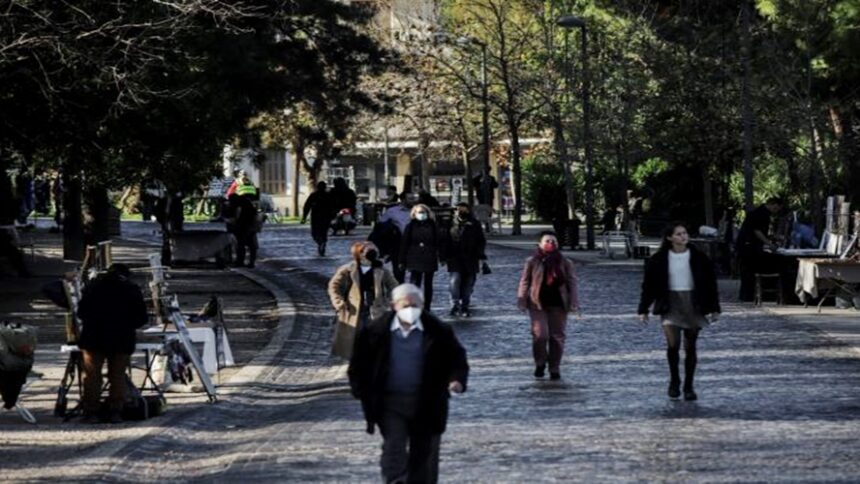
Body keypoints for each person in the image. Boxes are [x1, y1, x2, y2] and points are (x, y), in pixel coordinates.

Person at [348, 283, 469, 483]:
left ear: (422, 306)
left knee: (423, 452)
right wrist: (360, 390)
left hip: (427, 401)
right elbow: (359, 364)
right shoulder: (375, 331)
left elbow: (456, 358)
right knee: (394, 446)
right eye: (405, 306)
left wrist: (456, 380)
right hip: (389, 403)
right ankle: (396, 480)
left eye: (415, 305)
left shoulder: (438, 330)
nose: (410, 310)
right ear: (394, 306)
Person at [637, 222, 720, 401]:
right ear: (670, 238)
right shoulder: (659, 259)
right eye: (678, 234)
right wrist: (643, 308)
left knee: (690, 346)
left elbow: (710, 284)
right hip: (670, 303)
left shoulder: (699, 257)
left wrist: (715, 308)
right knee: (673, 345)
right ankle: (674, 380)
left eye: (685, 233)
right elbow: (649, 285)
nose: (683, 237)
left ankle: (689, 385)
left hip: (693, 302)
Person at [76, 264, 148, 423]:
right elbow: (141, 318)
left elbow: (81, 312)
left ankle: (91, 411)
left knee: (92, 375)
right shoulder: (131, 289)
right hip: (121, 338)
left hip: (93, 337)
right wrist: (127, 324)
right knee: (117, 376)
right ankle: (115, 411)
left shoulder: (93, 287)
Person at [517, 231, 579, 380]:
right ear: (540, 244)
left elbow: (572, 283)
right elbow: (525, 281)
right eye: (547, 241)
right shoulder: (532, 261)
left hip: (558, 304)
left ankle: (554, 367)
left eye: (553, 241)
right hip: (537, 304)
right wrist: (522, 300)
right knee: (540, 335)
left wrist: (574, 301)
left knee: (557, 337)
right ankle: (540, 362)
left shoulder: (565, 262)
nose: (550, 243)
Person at [328, 242, 399, 359]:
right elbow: (334, 286)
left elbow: (394, 286)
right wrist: (338, 301)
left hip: (375, 308)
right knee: (354, 336)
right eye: (366, 250)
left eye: (373, 250)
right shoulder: (347, 270)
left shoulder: (381, 270)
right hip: (353, 309)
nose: (370, 253)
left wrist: (388, 301)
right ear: (358, 254)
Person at [441, 202, 486, 317]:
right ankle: (455, 305)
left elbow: (481, 240)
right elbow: (445, 240)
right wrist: (443, 256)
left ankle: (465, 305)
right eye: (458, 209)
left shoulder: (474, 224)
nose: (460, 212)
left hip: (471, 258)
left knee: (468, 283)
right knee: (455, 280)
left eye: (463, 209)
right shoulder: (450, 223)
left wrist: (481, 254)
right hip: (454, 257)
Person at [735, 197, 784, 302]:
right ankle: (749, 295)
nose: (775, 212)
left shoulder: (758, 212)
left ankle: (746, 295)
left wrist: (773, 238)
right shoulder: (762, 214)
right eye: (776, 209)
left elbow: (761, 231)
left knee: (746, 271)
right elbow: (757, 231)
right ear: (773, 204)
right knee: (749, 271)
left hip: (746, 245)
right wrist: (769, 244)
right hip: (748, 246)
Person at [399, 204, 440, 310]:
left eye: (423, 212)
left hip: (429, 257)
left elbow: (438, 241)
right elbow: (404, 243)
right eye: (419, 212)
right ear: (414, 214)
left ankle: (427, 307)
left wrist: (441, 255)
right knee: (415, 282)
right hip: (414, 257)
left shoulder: (433, 225)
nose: (422, 214)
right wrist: (402, 260)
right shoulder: (410, 226)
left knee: (428, 284)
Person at [378, 193, 413, 283]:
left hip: (414, 243)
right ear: (403, 200)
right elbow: (382, 226)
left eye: (413, 198)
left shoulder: (417, 210)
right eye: (410, 198)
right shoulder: (392, 211)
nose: (413, 201)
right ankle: (399, 285)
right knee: (398, 268)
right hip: (398, 243)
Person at [226, 192, 259, 268]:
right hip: (250, 226)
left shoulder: (237, 204)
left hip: (244, 227)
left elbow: (234, 217)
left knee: (242, 245)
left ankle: (240, 261)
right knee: (251, 246)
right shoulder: (246, 203)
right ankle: (251, 262)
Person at [302, 181, 334, 256]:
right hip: (326, 217)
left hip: (316, 217)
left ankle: (320, 242)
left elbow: (307, 206)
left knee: (315, 233)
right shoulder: (328, 195)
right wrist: (332, 216)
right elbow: (333, 206)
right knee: (323, 232)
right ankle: (322, 243)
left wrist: (304, 217)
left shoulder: (314, 195)